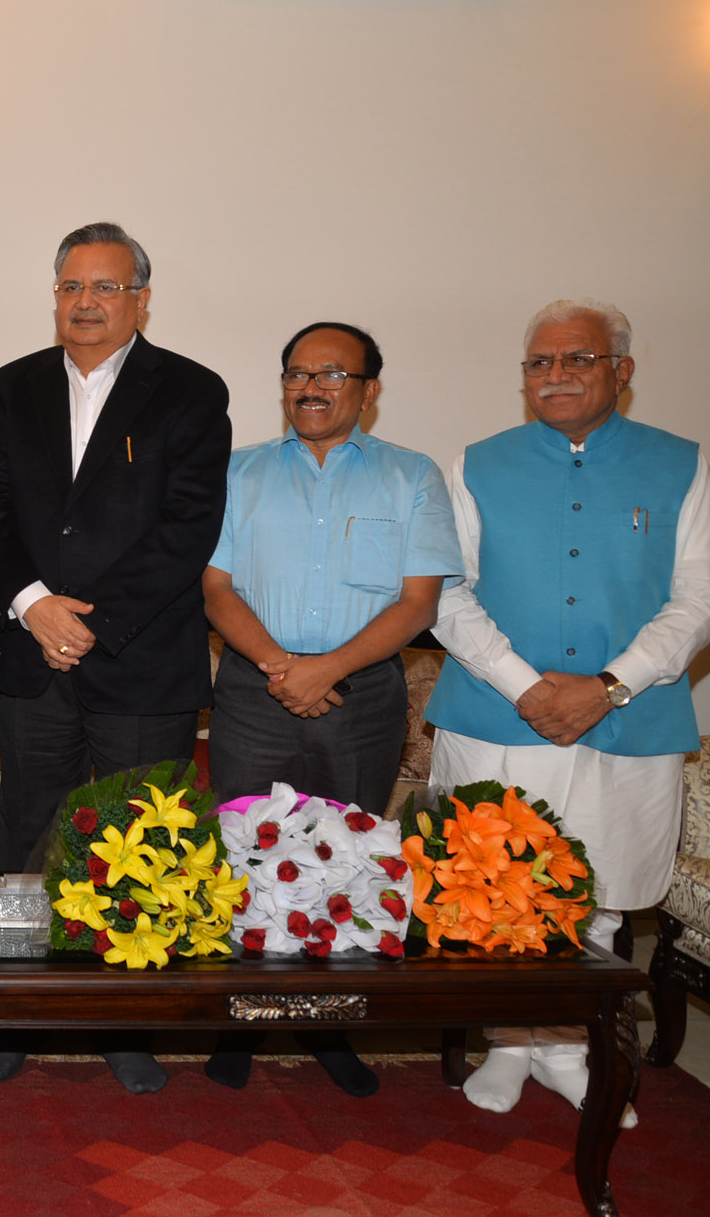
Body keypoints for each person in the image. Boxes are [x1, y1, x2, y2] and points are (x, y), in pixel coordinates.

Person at [424, 298, 710, 1123]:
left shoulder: (679, 464)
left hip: (625, 716)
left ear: (619, 370)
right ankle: (510, 1042)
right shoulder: (475, 463)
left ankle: (566, 1046)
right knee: (494, 884)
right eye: (538, 363)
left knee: (592, 889)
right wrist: (525, 683)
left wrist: (608, 683)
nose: (554, 375)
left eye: (576, 359)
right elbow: (443, 592)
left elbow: (700, 598)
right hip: (497, 711)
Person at [0, 221, 231, 1089]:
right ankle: (13, 1008)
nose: (85, 302)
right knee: (29, 834)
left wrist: (90, 622)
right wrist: (32, 605)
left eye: (105, 287)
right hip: (32, 654)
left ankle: (126, 1020)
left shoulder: (191, 391)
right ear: (54, 297)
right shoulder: (12, 387)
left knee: (138, 837)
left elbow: (187, 528)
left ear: (140, 299)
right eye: (70, 287)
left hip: (141, 658)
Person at [201, 321, 462, 1096]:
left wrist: (327, 669)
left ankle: (329, 1027)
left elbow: (419, 603)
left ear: (368, 390)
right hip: (254, 687)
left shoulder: (410, 477)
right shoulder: (237, 473)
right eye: (294, 373)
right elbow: (215, 588)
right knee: (245, 855)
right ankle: (236, 1021)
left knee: (346, 857)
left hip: (364, 691)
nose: (308, 386)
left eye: (330, 373)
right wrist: (283, 667)